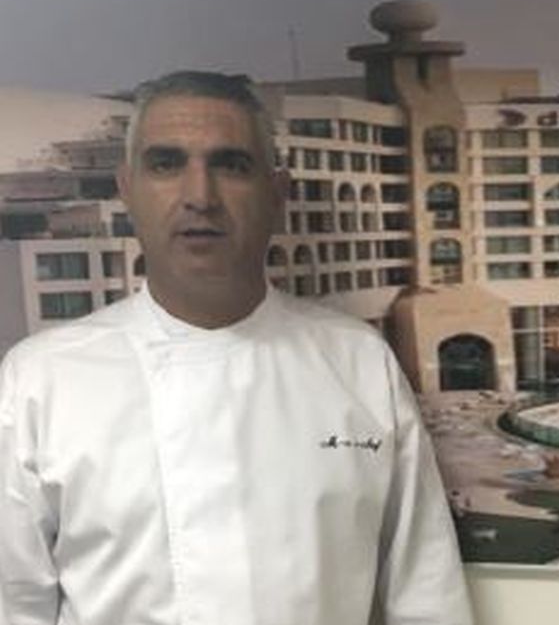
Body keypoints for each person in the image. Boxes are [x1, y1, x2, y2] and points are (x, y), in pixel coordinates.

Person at [0, 71, 474, 625]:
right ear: (127, 189)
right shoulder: (42, 379)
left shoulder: (359, 364)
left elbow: (426, 597)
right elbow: (13, 603)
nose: (200, 196)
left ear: (277, 193)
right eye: (166, 164)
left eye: (231, 165)